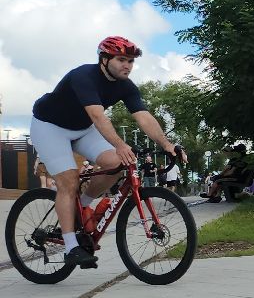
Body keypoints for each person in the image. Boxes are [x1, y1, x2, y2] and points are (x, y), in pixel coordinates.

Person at [29, 36, 183, 268]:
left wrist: (167, 144)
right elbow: (98, 116)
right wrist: (121, 145)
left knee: (116, 164)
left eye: (131, 61)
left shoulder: (126, 86)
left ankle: (81, 204)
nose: (127, 66)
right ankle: (71, 247)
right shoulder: (83, 76)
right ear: (104, 59)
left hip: (81, 129)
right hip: (50, 127)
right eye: (122, 59)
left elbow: (143, 116)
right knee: (69, 180)